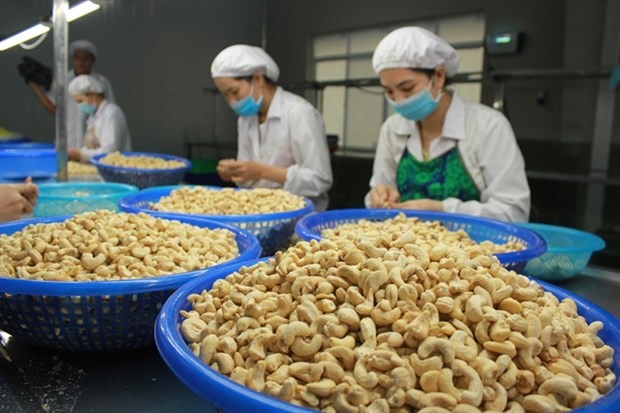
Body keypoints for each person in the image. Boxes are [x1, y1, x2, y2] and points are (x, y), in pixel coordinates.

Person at [366, 27, 530, 222]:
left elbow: (513, 213)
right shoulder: (392, 129)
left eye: (407, 88)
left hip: (475, 248)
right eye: (389, 92)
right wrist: (379, 197)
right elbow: (379, 192)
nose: (399, 100)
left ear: (439, 77)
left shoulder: (488, 126)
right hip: (402, 249)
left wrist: (444, 210)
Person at [210, 45, 333, 211]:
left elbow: (319, 179)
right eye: (226, 95)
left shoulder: (298, 112)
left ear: (258, 79)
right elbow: (246, 181)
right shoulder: (245, 120)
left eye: (234, 91)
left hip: (298, 216)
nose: (232, 101)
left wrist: (262, 171)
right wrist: (235, 172)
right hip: (258, 212)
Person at [24, 40, 115, 149]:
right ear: (73, 59)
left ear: (93, 61)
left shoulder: (101, 83)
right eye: (77, 57)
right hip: (67, 142)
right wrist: (34, 85)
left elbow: (107, 112)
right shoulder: (62, 80)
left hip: (93, 145)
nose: (81, 62)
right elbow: (53, 109)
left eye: (86, 58)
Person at [66, 75, 131, 163]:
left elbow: (109, 152)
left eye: (80, 101)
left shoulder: (111, 114)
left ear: (92, 95)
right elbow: (91, 146)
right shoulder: (94, 115)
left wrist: (80, 155)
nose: (80, 106)